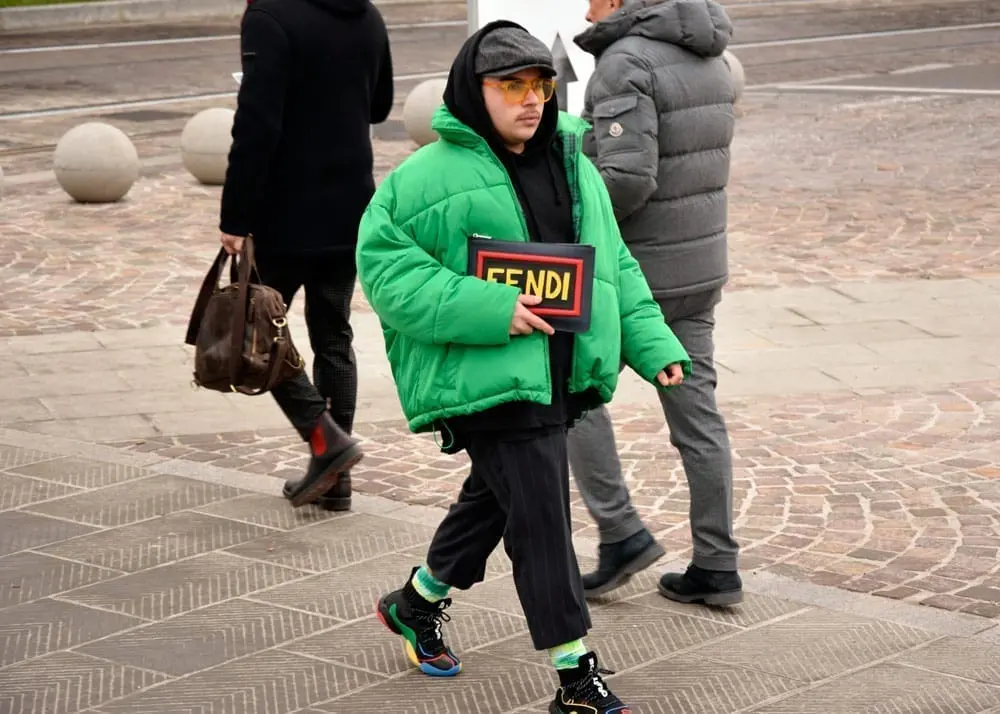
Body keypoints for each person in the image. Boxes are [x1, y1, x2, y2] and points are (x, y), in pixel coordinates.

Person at [356, 19, 691, 714]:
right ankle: (574, 677)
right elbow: (385, 270)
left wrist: (652, 345)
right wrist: (489, 308)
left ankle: (415, 604)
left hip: (559, 372)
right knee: (539, 518)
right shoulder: (423, 179)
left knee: (495, 498)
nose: (531, 99)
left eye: (539, 84)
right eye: (511, 85)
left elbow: (614, 267)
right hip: (487, 378)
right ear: (474, 92)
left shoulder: (574, 159)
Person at [563, 0, 743, 605]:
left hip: (634, 278)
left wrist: (568, 219)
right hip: (697, 265)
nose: (586, 6)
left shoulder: (625, 61)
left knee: (573, 394)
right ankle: (717, 564)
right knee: (698, 419)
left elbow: (628, 177)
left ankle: (620, 532)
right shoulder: (709, 55)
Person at [218, 0, 394, 509]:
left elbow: (256, 125)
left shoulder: (269, 17)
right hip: (349, 207)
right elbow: (379, 106)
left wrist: (235, 216)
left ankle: (326, 441)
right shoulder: (367, 14)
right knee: (333, 335)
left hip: (285, 215)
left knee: (253, 333)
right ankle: (335, 480)